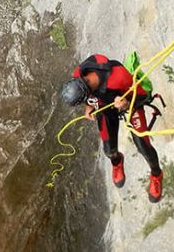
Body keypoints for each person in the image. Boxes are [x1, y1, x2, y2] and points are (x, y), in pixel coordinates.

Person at [59, 53, 163, 202]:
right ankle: (117, 162)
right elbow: (89, 98)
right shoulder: (79, 75)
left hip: (130, 103)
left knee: (143, 145)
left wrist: (126, 102)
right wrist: (88, 106)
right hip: (105, 106)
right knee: (109, 149)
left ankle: (156, 174)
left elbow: (142, 96)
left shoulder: (118, 77)